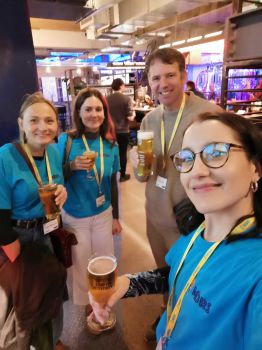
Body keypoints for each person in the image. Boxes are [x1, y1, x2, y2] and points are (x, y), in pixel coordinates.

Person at [89, 111, 262, 350]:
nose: (197, 171)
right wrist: (128, 284)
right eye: (187, 158)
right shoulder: (199, 230)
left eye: (216, 153)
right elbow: (182, 274)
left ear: (255, 167)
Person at [129, 47, 222, 339]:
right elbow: (145, 176)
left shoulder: (209, 114)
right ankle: (167, 312)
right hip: (155, 216)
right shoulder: (149, 121)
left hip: (191, 221)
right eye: (156, 78)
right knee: (164, 272)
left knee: (194, 278)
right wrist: (136, 165)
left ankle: (189, 325)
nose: (163, 83)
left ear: (183, 76)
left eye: (170, 74)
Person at [0, 92, 68, 350]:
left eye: (49, 121)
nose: (43, 127)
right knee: (27, 297)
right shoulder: (5, 157)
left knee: (53, 289)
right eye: (34, 120)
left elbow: (56, 185)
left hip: (47, 231)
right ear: (21, 124)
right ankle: (30, 343)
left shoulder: (53, 152)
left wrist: (63, 192)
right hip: (18, 235)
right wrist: (15, 253)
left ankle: (53, 339)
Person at [57, 88, 122, 316]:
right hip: (75, 215)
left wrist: (115, 217)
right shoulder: (66, 141)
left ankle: (103, 300)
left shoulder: (111, 145)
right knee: (82, 263)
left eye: (98, 109)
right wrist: (72, 166)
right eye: (88, 109)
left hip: (103, 213)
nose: (94, 114)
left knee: (105, 260)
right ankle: (88, 304)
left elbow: (112, 183)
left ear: (104, 113)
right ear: (79, 112)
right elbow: (55, 177)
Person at [107, 78, 135, 182]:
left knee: (112, 152)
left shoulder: (107, 99)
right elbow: (129, 117)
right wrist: (134, 114)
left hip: (110, 131)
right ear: (120, 86)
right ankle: (122, 175)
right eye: (123, 85)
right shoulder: (126, 99)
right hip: (123, 130)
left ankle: (112, 174)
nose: (125, 87)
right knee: (122, 153)